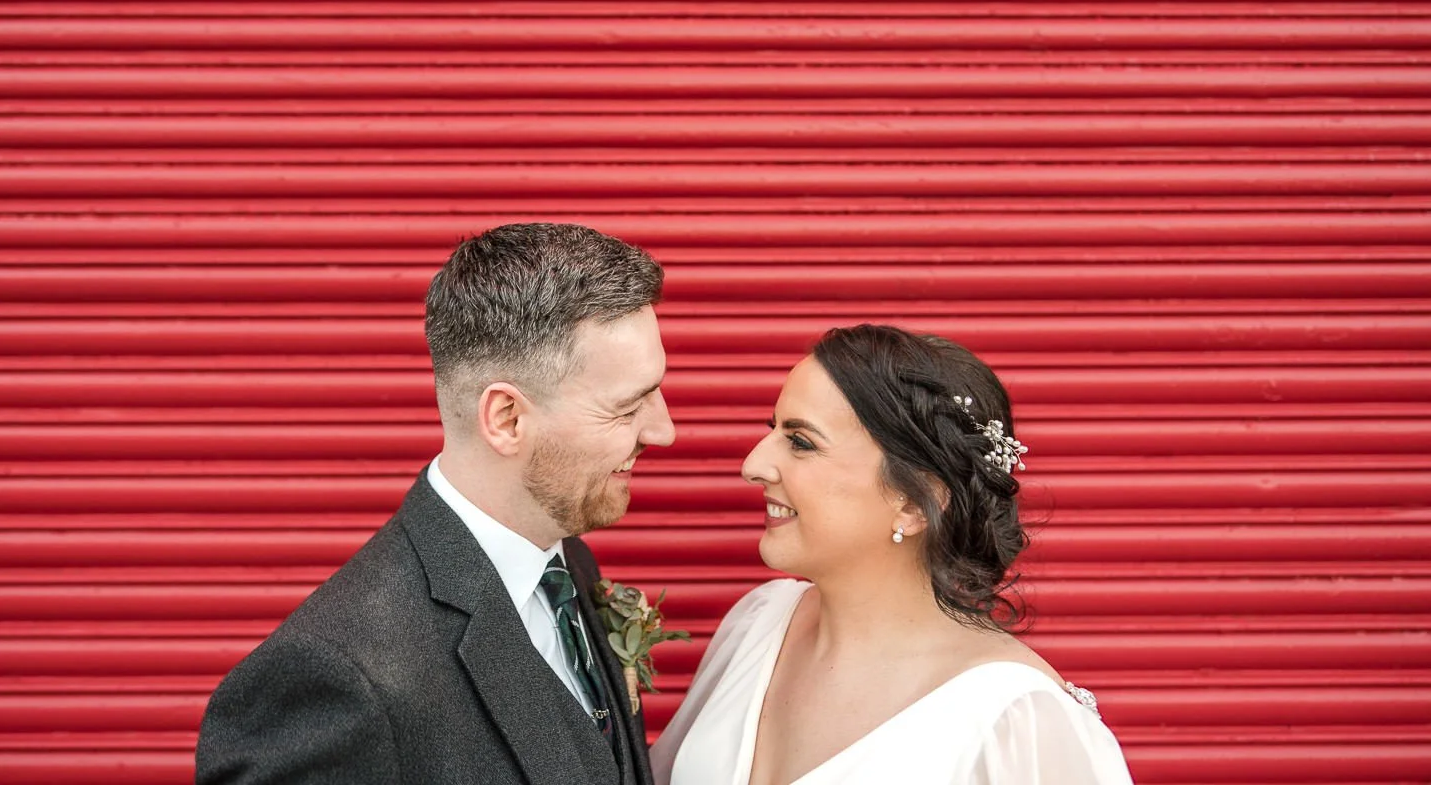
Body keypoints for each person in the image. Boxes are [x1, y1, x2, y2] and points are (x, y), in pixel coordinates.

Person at [196, 222, 676, 785]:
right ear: (507, 418)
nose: (663, 431)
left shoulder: (568, 563)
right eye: (626, 407)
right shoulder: (339, 680)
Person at [652, 324, 1133, 785]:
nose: (753, 465)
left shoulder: (1014, 719)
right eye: (771, 429)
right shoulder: (760, 622)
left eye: (800, 441)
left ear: (914, 501)